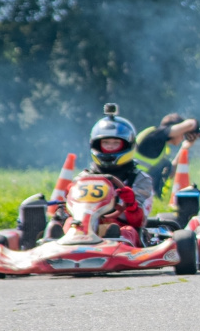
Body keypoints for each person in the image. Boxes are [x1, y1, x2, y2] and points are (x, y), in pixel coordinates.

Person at [53, 104, 153, 246]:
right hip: (85, 225)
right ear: (97, 145)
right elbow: (71, 213)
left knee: (127, 231)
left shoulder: (140, 179)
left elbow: (138, 221)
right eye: (106, 142)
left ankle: (114, 241)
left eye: (115, 143)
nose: (110, 147)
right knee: (69, 223)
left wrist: (130, 204)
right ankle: (58, 241)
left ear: (127, 145)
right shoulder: (83, 178)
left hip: (120, 225)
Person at [134, 113, 200, 199]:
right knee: (165, 163)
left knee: (166, 164)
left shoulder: (159, 143)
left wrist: (184, 148)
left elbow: (171, 173)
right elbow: (190, 124)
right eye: (183, 133)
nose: (183, 137)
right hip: (135, 186)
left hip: (139, 185)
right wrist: (194, 125)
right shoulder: (155, 135)